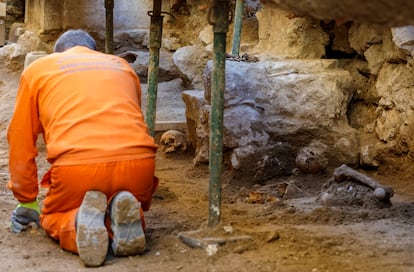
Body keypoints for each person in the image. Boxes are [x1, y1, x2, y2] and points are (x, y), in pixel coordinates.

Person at [7, 29, 159, 267]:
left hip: (76, 169)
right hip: (139, 166)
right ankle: (125, 217)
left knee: (52, 216)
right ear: (95, 52)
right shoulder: (121, 67)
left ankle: (76, 224)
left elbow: (20, 139)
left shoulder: (39, 69)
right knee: (120, 196)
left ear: (58, 53)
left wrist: (26, 200)